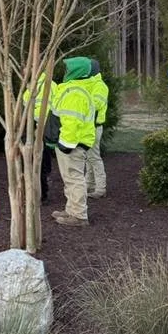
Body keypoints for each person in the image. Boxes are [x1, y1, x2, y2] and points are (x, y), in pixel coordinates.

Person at [49, 56, 96, 226]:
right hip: (73, 143)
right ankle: (71, 210)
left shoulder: (75, 93)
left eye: (68, 69)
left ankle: (79, 215)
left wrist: (65, 145)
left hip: (72, 144)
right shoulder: (75, 90)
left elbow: (71, 122)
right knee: (70, 177)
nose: (65, 71)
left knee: (74, 177)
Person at [22, 71, 57, 203]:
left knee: (35, 160)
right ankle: (44, 189)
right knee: (44, 157)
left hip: (34, 126)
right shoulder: (53, 85)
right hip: (48, 127)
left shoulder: (32, 86)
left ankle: (39, 194)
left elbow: (25, 103)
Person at [86, 59, 109, 198]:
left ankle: (100, 188)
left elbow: (96, 105)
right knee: (89, 157)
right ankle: (90, 184)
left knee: (93, 157)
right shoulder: (93, 84)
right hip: (91, 126)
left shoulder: (99, 86)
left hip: (94, 127)